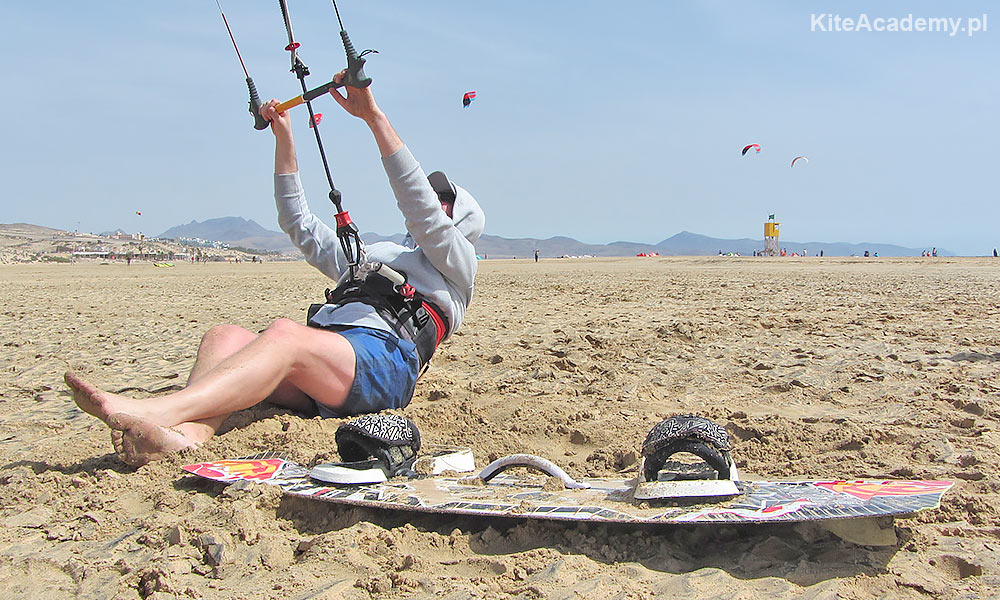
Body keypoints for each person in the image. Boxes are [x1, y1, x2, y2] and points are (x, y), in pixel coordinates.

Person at [65, 71, 485, 467]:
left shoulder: (458, 264)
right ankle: (187, 436)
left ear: (463, 218)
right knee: (223, 337)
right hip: (329, 361)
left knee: (283, 335)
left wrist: (374, 118)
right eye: (434, 195)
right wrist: (284, 139)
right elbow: (299, 225)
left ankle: (158, 410)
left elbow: (422, 213)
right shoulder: (376, 256)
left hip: (382, 364)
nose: (434, 200)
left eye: (444, 199)